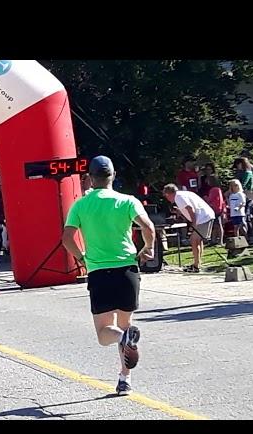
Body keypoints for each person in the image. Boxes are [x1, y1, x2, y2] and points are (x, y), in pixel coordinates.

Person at [62, 156, 155, 396]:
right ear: (113, 176)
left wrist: (81, 259)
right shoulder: (127, 201)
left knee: (105, 335)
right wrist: (148, 248)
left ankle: (124, 339)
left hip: (99, 271)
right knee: (125, 324)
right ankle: (125, 379)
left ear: (90, 179)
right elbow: (148, 227)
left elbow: (67, 238)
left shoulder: (81, 205)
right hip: (127, 269)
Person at [163, 184, 215, 273]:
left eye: (166, 196)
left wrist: (193, 224)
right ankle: (197, 264)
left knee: (194, 240)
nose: (167, 198)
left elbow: (190, 209)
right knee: (198, 240)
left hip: (202, 218)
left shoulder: (178, 197)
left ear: (169, 194)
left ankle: (196, 266)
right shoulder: (183, 194)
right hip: (206, 216)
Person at [204, 176, 225, 246]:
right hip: (219, 208)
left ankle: (220, 241)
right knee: (216, 225)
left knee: (218, 225)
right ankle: (214, 240)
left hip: (215, 209)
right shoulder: (218, 189)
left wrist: (205, 198)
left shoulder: (213, 190)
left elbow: (210, 199)